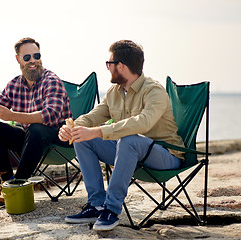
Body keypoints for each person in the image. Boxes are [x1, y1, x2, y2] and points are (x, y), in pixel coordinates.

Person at [58, 40, 185, 231]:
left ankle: (111, 209)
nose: (107, 68)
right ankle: (97, 204)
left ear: (121, 66)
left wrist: (99, 131)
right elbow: (94, 116)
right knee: (83, 138)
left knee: (129, 139)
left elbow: (143, 122)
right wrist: (73, 128)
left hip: (166, 155)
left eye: (109, 64)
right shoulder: (115, 92)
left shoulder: (153, 90)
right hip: (130, 154)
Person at [0, 37, 72, 206]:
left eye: (36, 55)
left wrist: (12, 115)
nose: (33, 61)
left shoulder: (51, 80)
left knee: (37, 128)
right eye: (27, 57)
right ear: (18, 59)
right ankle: (6, 182)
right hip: (32, 141)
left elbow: (49, 115)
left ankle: (17, 185)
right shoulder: (14, 84)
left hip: (60, 138)